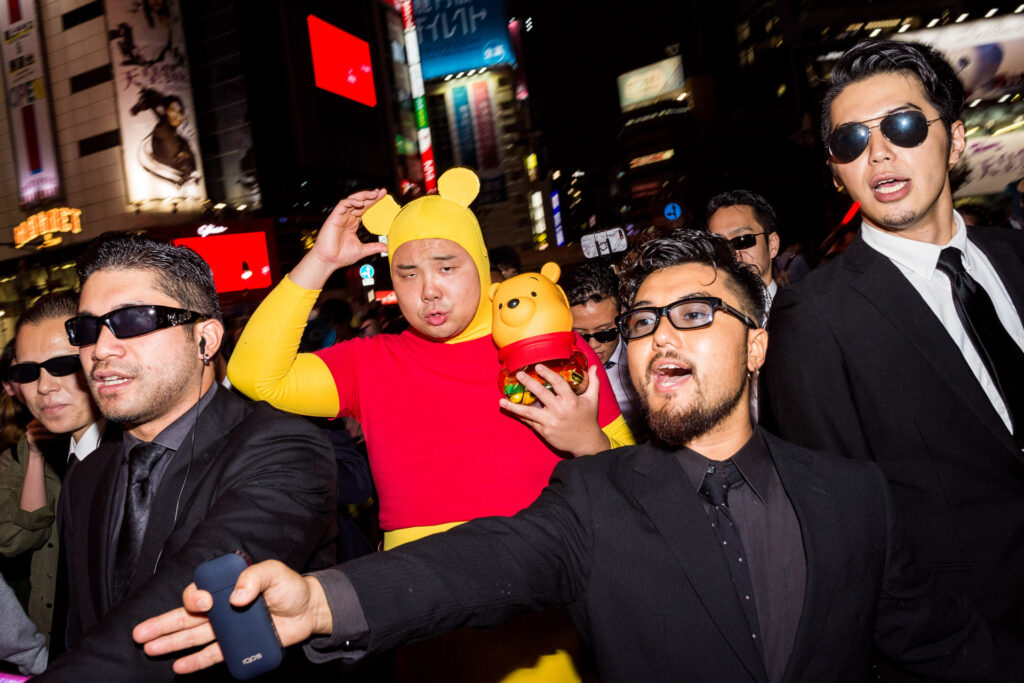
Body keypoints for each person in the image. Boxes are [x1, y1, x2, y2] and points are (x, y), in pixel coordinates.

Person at [135, 230, 1024, 683]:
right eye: (643, 322)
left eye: (694, 315)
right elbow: (474, 562)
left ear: (757, 344)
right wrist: (325, 599)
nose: (660, 336)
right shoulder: (594, 500)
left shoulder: (853, 496)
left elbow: (944, 645)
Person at [226, 168, 630, 681]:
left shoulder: (549, 348)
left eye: (446, 266)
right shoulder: (371, 361)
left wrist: (588, 441)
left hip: (544, 618)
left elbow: (637, 490)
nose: (429, 291)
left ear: (479, 263)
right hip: (422, 623)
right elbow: (254, 374)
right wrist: (321, 260)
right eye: (408, 273)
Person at [765, 39, 1024, 641]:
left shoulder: (1017, 257)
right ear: (836, 171)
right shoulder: (814, 319)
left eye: (902, 126)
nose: (878, 152)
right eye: (851, 140)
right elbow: (846, 538)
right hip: (974, 639)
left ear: (955, 139)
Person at [37, 234, 337, 681]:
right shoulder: (86, 476)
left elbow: (193, 595)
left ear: (205, 339)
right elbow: (80, 628)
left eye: (133, 320)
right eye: (86, 329)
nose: (100, 349)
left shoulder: (286, 449)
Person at [0, 293, 103, 647]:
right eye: (27, 373)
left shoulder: (136, 459)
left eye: (62, 365)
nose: (44, 386)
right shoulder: (66, 457)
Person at [561, 259, 646, 438]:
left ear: (622, 315)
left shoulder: (647, 352)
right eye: (581, 337)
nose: (593, 345)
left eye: (605, 333)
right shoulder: (559, 371)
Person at [707, 189, 781, 315]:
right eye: (719, 245)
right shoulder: (711, 318)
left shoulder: (803, 312)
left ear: (772, 245)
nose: (731, 254)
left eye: (742, 240)